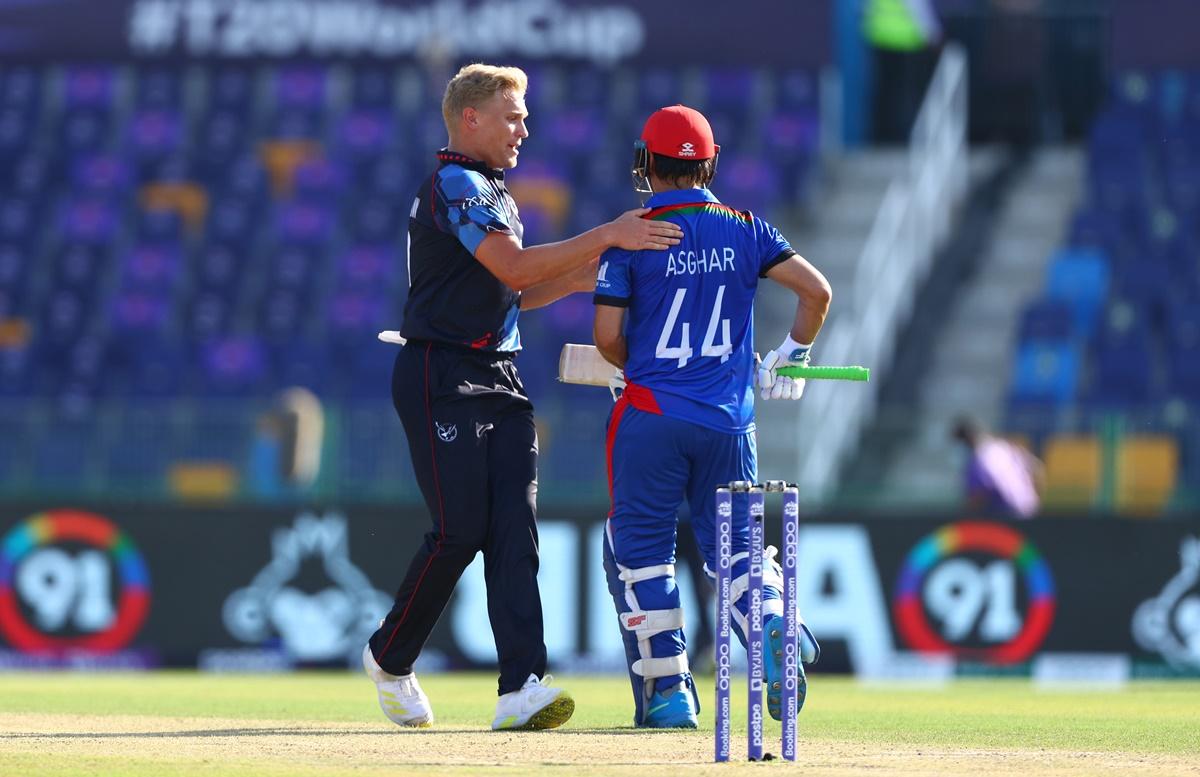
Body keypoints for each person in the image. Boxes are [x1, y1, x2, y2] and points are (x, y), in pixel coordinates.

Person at [362, 64, 684, 732]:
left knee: (514, 528)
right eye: (513, 115)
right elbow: (513, 267)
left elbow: (517, 292)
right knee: (460, 530)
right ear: (470, 118)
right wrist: (607, 234)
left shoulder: (493, 191)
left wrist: (580, 279)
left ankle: (522, 686)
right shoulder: (456, 182)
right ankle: (388, 657)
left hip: (500, 375)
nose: (525, 128)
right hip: (439, 374)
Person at [592, 105, 828, 728]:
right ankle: (775, 627)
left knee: (639, 551)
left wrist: (632, 361)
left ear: (648, 165)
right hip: (729, 422)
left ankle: (669, 692)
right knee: (741, 556)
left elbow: (608, 335)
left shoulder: (633, 234)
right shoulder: (747, 226)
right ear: (711, 162)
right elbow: (816, 292)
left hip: (648, 414)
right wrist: (788, 358)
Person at [952, 416, 1043, 518]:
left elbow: (979, 494)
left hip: (1006, 515)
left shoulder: (979, 459)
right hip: (1029, 508)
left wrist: (966, 516)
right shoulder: (1004, 447)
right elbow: (1037, 469)